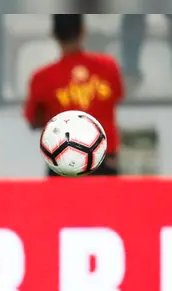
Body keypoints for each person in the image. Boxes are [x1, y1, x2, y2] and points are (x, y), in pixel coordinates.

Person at [24, 14, 124, 176]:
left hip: (62, 161)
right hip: (104, 161)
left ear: (54, 34)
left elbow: (34, 121)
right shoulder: (108, 67)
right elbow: (117, 97)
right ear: (83, 31)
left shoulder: (43, 77)